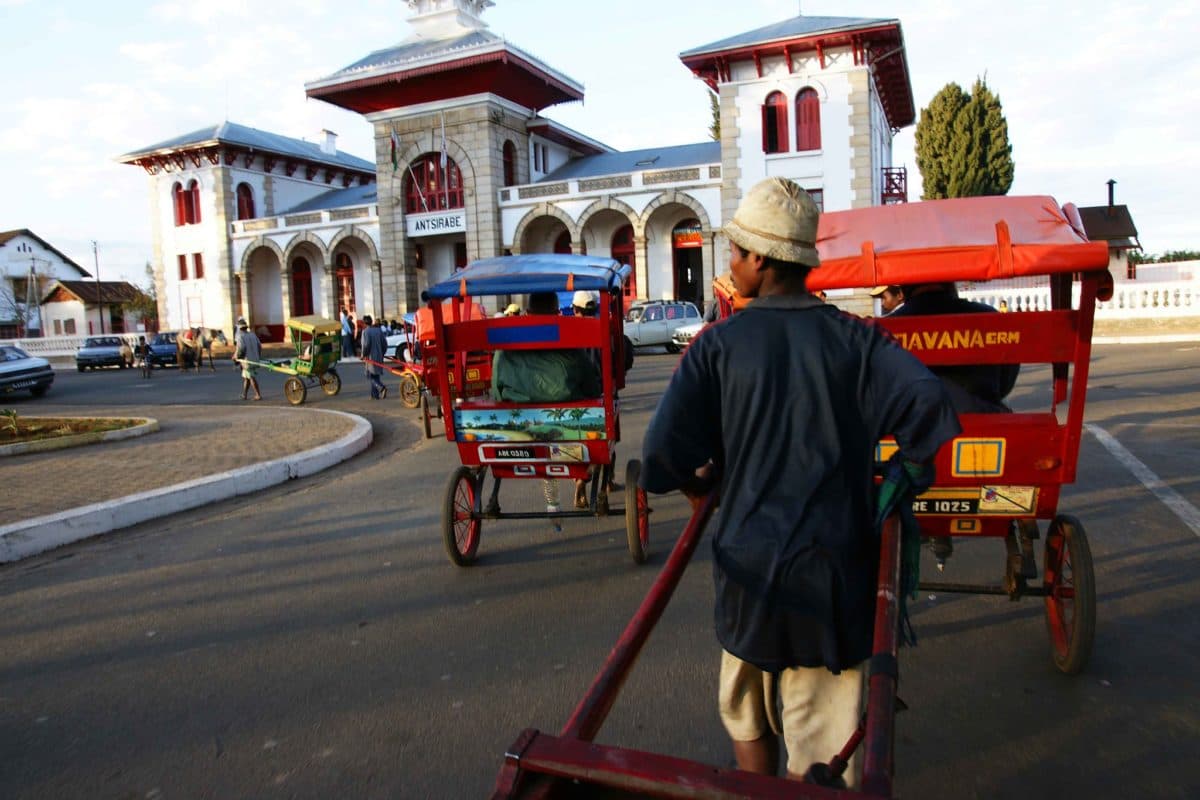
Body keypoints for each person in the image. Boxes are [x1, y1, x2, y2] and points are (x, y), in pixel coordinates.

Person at [640, 177, 960, 785]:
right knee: (821, 758)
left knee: (746, 718)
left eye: (735, 252)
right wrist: (903, 475)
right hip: (833, 581)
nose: (730, 263)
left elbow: (660, 456)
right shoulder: (858, 340)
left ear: (760, 259)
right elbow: (929, 408)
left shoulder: (718, 347)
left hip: (746, 575)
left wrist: (699, 486)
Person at [888, 283, 1018, 414]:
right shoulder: (990, 317)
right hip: (982, 423)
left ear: (903, 290)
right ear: (952, 284)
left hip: (914, 428)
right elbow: (1005, 382)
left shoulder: (886, 329)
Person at [234, 319, 263, 401]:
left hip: (247, 361)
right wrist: (258, 356)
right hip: (255, 359)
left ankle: (258, 395)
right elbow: (259, 346)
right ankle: (244, 395)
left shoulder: (240, 337)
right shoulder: (253, 335)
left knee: (251, 377)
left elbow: (241, 349)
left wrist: (237, 358)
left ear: (239, 328)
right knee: (246, 377)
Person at [360, 314, 388, 400]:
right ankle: (374, 395)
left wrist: (363, 355)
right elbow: (385, 344)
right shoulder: (378, 330)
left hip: (370, 357)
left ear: (364, 323)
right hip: (379, 355)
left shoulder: (365, 332)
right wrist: (382, 353)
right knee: (376, 375)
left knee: (371, 376)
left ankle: (381, 387)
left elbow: (366, 345)